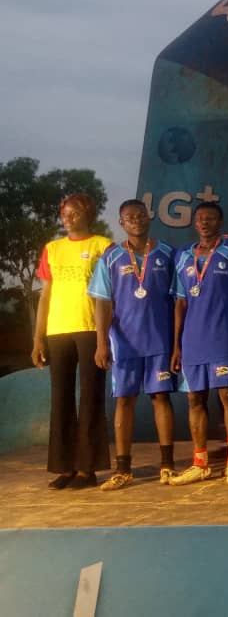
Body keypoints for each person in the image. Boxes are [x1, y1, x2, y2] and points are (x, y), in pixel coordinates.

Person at [88, 199, 177, 490]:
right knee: (125, 400)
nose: (136, 220)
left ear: (149, 217)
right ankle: (123, 469)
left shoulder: (167, 253)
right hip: (124, 343)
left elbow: (179, 300)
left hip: (160, 340)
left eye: (140, 215)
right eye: (129, 217)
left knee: (161, 398)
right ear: (121, 222)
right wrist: (102, 342)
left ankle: (167, 465)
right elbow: (102, 303)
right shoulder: (111, 257)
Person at [169, 202, 228, 486]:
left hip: (225, 338)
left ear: (220, 222)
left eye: (211, 218)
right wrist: (177, 345)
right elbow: (180, 303)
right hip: (193, 340)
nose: (204, 223)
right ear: (194, 223)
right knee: (195, 399)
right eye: (200, 218)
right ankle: (200, 464)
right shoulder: (183, 256)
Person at [32, 193, 112, 489]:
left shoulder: (103, 246)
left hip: (91, 328)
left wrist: (105, 339)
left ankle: (87, 470)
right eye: (64, 213)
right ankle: (64, 467)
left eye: (74, 213)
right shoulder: (52, 249)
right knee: (61, 399)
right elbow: (44, 296)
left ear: (88, 214)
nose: (68, 218)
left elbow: (110, 294)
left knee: (91, 397)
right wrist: (37, 338)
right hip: (58, 331)